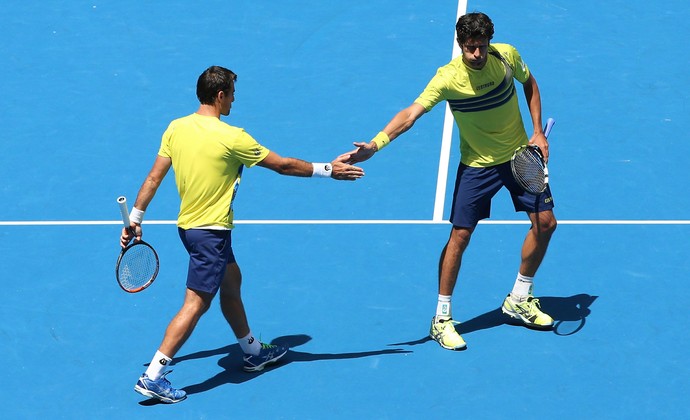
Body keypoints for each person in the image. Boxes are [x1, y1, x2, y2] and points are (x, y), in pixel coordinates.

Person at [121, 65, 365, 403]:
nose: (235, 100)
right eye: (232, 94)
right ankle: (153, 376)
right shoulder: (233, 137)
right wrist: (328, 170)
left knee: (231, 281)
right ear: (220, 96)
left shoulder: (176, 128)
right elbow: (282, 165)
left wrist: (135, 218)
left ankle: (252, 351)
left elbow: (152, 178)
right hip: (211, 233)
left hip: (190, 229)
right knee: (196, 303)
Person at [344, 12, 557, 351]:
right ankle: (442, 318)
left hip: (519, 156)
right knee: (460, 236)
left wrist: (536, 132)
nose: (477, 55)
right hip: (477, 165)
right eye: (471, 48)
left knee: (546, 224)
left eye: (482, 47)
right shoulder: (447, 79)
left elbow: (529, 84)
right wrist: (376, 144)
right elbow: (411, 114)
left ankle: (519, 296)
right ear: (461, 45)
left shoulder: (506, 56)